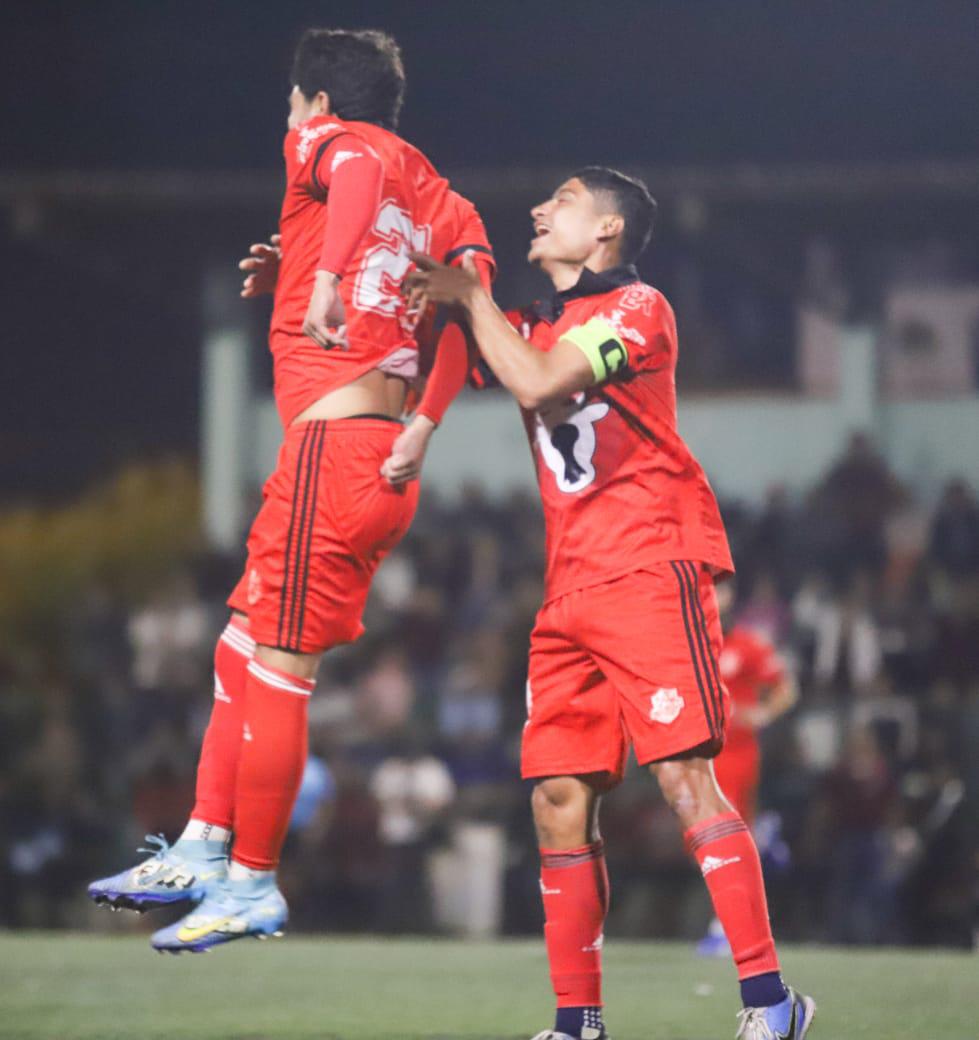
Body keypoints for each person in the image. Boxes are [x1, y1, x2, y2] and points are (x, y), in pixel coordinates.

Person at [87, 27, 494, 953]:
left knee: (276, 668)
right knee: (238, 649)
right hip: (374, 451)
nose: (290, 119)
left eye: (290, 105)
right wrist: (425, 423)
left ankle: (253, 882)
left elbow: (349, 173)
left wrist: (327, 273)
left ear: (314, 101)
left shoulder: (335, 140)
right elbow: (466, 307)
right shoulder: (445, 200)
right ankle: (201, 841)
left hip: (333, 454)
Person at [398, 167, 815, 1040]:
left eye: (565, 201)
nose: (540, 209)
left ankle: (770, 1006)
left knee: (680, 778)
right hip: (568, 589)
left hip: (649, 566)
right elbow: (434, 327)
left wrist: (473, 300)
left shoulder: (638, 311)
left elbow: (543, 382)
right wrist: (315, 276)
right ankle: (576, 1022)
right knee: (555, 798)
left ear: (607, 235)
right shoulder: (524, 325)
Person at [699, 580, 798, 957]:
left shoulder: (745, 645)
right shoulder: (691, 643)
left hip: (736, 756)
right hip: (697, 757)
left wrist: (762, 714)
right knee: (706, 841)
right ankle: (764, 846)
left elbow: (785, 688)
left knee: (721, 838)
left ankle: (724, 927)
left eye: (718, 590)